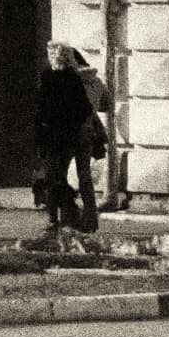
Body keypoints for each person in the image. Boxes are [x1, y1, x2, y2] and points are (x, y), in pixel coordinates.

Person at [33, 40, 111, 245]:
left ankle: (59, 219)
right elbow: (104, 105)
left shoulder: (57, 78)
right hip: (86, 132)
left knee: (57, 175)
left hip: (64, 134)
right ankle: (90, 219)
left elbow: (43, 107)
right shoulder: (92, 81)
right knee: (84, 175)